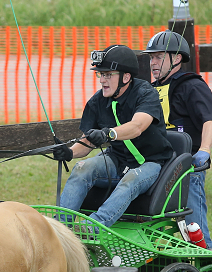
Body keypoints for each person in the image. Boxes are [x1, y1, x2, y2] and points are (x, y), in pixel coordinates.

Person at [54, 44, 174, 228]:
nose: (102, 80)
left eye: (108, 74)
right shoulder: (98, 101)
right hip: (117, 159)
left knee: (130, 180)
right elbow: (87, 140)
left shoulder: (145, 93)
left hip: (150, 162)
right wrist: (69, 153)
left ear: (126, 77)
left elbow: (137, 127)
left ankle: (93, 227)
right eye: (100, 74)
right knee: (81, 168)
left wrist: (109, 133)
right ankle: (59, 229)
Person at [143, 30, 212, 248]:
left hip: (186, 168)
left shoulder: (192, 86)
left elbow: (210, 120)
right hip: (155, 163)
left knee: (194, 227)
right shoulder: (150, 89)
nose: (153, 63)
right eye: (151, 57)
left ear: (176, 58)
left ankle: (208, 265)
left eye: (159, 57)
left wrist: (204, 149)